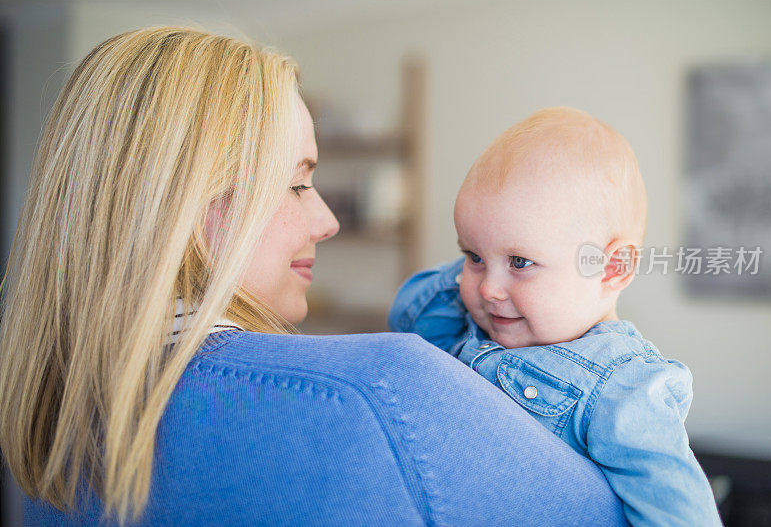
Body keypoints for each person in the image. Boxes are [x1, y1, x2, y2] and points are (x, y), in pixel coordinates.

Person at [0, 28, 626, 525]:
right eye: (298, 182)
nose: (326, 218)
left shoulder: (55, 411)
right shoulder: (384, 395)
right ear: (187, 206)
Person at [389, 107, 722, 525]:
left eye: (520, 262)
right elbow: (406, 320)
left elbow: (680, 512)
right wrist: (469, 270)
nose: (489, 288)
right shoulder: (476, 327)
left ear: (610, 268)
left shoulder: (622, 385)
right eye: (473, 256)